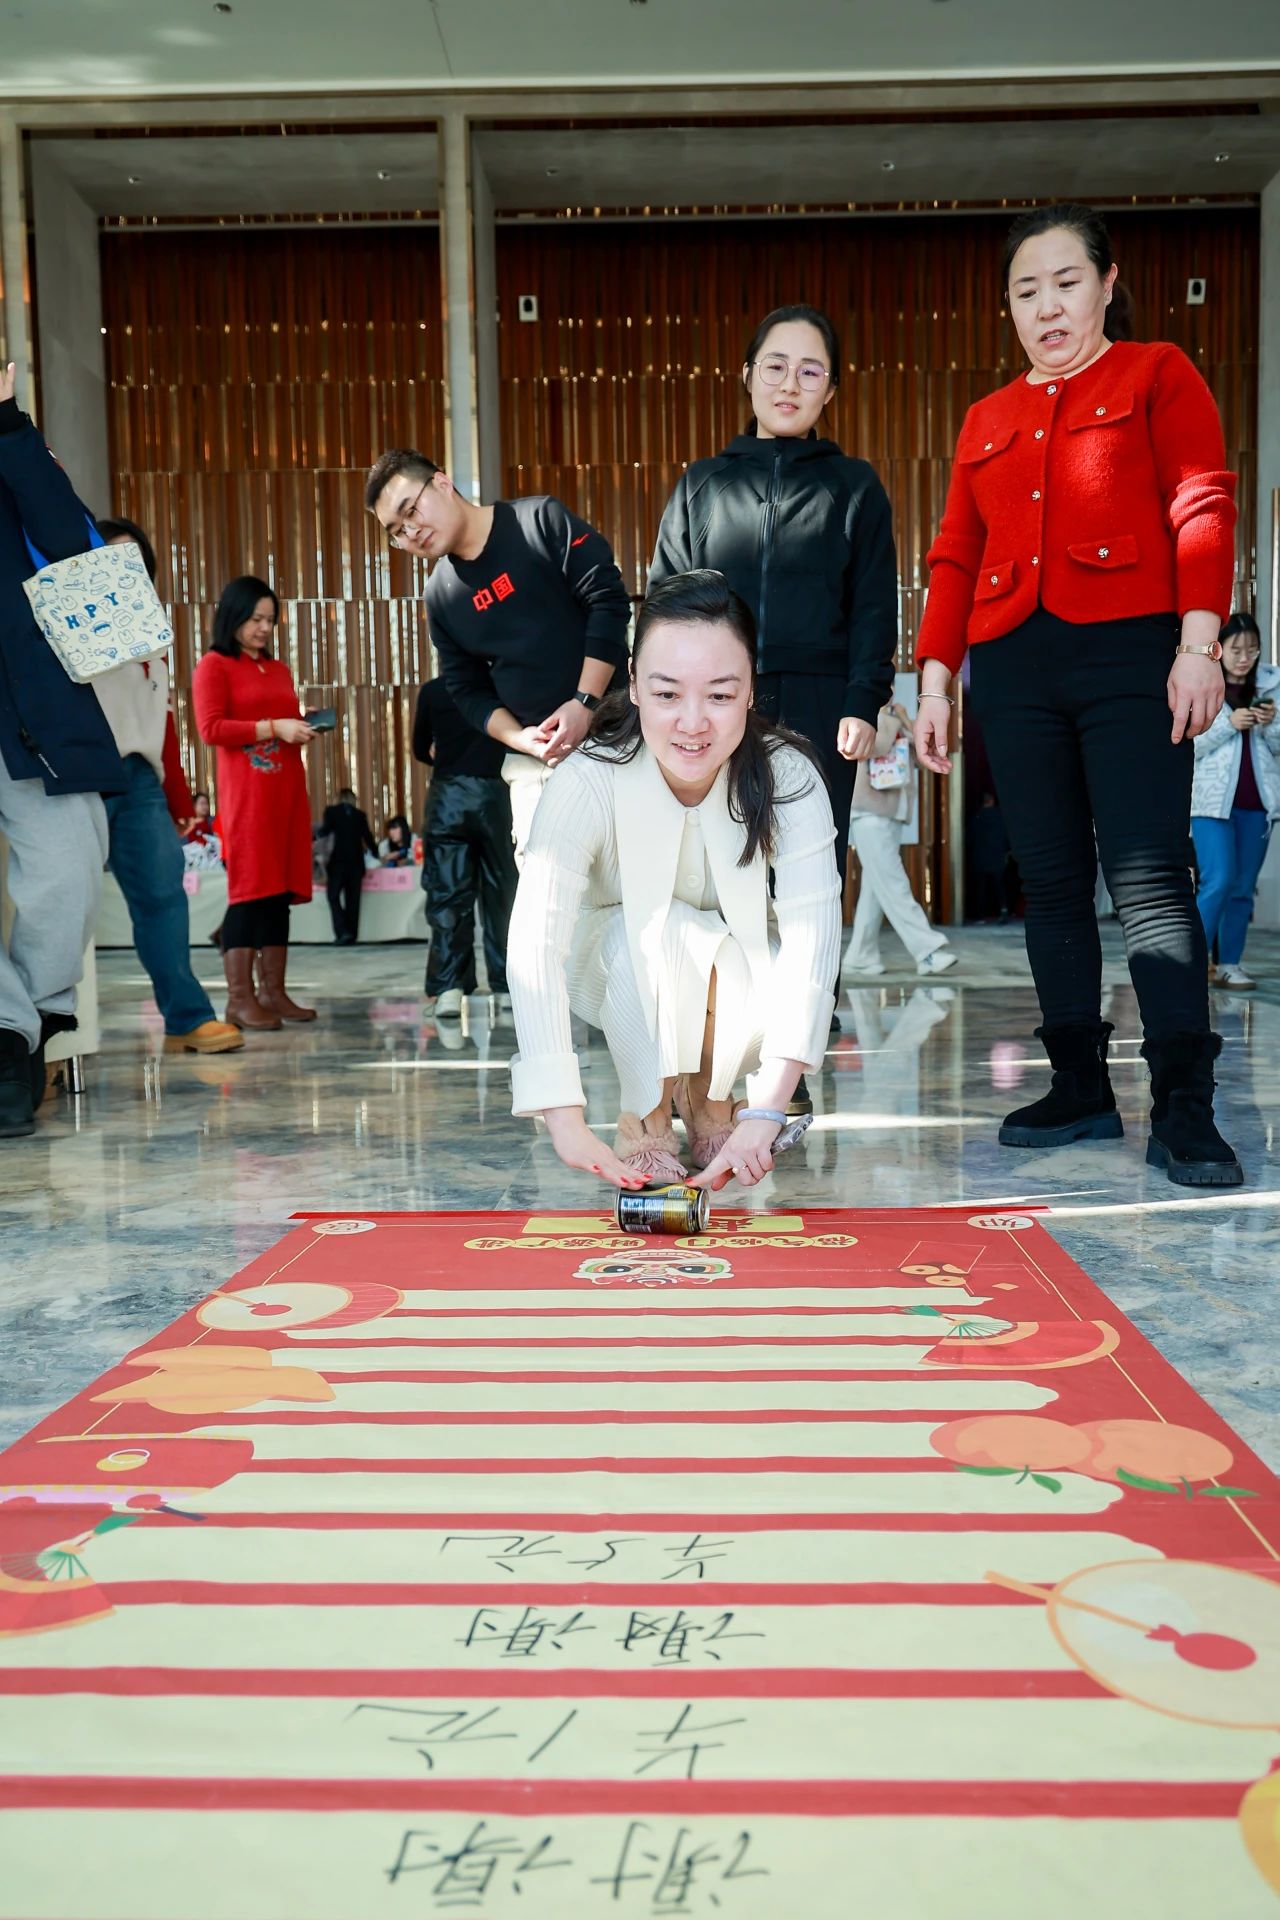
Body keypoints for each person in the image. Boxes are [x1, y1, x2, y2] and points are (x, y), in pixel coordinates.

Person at [914, 201, 1241, 1187]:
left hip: (1130, 653)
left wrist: (1198, 646)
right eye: (1026, 290)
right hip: (1012, 665)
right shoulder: (986, 418)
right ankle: (1078, 1086)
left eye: (1065, 283)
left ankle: (1183, 1103)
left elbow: (1200, 503)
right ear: (1008, 307)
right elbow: (954, 554)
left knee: (1149, 877)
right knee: (1049, 880)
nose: (1047, 306)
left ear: (1105, 285)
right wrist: (934, 681)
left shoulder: (1156, 372)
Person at [507, 570, 842, 1193]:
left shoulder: (788, 776)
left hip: (738, 979)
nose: (693, 723)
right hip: (611, 966)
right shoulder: (588, 777)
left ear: (750, 690)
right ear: (633, 685)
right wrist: (562, 1114)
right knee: (660, 934)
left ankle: (716, 1103)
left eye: (719, 695)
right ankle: (648, 1119)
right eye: (667, 694)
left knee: (750, 954)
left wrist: (768, 1110)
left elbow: (813, 943)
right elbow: (536, 943)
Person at [649, 303, 900, 1035]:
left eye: (810, 371)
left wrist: (862, 700)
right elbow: (664, 600)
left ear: (831, 390)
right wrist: (662, 702)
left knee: (811, 866)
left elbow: (873, 605)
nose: (790, 384)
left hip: (822, 702)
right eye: (776, 366)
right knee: (721, 861)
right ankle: (730, 1024)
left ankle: (802, 1029)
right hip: (719, 704)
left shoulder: (854, 486)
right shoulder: (702, 484)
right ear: (747, 376)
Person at [364, 449, 632, 863]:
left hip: (617, 736)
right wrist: (519, 739)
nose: (411, 532)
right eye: (397, 531)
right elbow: (466, 688)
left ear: (442, 482)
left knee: (629, 876)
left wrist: (584, 703)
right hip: (537, 767)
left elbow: (608, 601)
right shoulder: (440, 596)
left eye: (411, 510)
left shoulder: (539, 521)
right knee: (547, 893)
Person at [0, 362, 123, 1136]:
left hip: (29, 704)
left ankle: (29, 1021)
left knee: (71, 870)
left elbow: (72, 545)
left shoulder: (13, 445)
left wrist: (8, 425)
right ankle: (9, 1040)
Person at [92, 515, 242, 1055]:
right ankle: (40, 1035)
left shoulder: (150, 635)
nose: (123, 568)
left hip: (138, 780)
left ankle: (186, 1018)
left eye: (135, 561)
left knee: (163, 895)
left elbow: (164, 721)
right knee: (66, 904)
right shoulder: (63, 618)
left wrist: (179, 801)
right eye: (111, 556)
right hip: (77, 773)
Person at [192, 577, 316, 1030]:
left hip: (286, 792)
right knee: (250, 891)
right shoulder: (214, 666)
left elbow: (284, 719)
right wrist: (273, 727)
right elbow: (211, 729)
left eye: (270, 620)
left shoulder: (277, 668)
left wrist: (300, 725)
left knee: (278, 893)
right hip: (247, 797)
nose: (264, 628)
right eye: (255, 619)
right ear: (233, 617)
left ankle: (273, 993)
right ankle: (239, 1000)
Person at [413, 674, 518, 1018]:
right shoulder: (503, 686)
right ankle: (507, 987)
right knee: (502, 895)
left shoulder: (433, 691)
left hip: (449, 798)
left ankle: (449, 988)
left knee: (448, 895)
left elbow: (419, 748)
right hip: (497, 797)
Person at [1192, 612, 1280, 989]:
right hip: (1210, 805)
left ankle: (1229, 963)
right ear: (1219, 650)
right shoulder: (1202, 685)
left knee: (1243, 887)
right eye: (1236, 650)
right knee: (1219, 880)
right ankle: (1190, 963)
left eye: (1252, 650)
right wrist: (1230, 724)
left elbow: (1277, 747)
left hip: (1258, 805)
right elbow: (1188, 745)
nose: (1244, 658)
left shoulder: (1272, 687)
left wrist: (1270, 723)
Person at [845, 700, 956, 977]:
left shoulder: (895, 720)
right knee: (893, 883)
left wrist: (907, 722)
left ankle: (860, 955)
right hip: (869, 812)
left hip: (892, 813)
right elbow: (877, 746)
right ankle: (927, 951)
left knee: (876, 888)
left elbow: (921, 754)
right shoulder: (868, 714)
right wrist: (891, 718)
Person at [320, 786, 376, 945]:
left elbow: (325, 831)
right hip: (356, 864)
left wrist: (311, 838)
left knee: (333, 896)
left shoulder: (331, 812)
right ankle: (352, 933)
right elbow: (368, 837)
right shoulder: (360, 815)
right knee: (353, 899)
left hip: (338, 862)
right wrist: (377, 853)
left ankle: (342, 931)